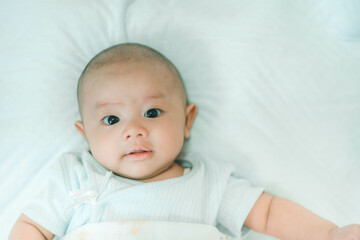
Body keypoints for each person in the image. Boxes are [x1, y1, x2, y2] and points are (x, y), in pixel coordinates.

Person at [9, 43, 360, 240]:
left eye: (152, 113)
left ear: (187, 120)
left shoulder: (209, 183)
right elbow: (32, 227)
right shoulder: (76, 177)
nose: (134, 130)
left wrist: (330, 233)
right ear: (84, 134)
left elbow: (268, 213)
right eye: (112, 120)